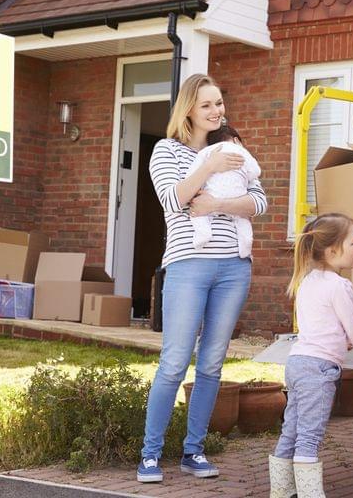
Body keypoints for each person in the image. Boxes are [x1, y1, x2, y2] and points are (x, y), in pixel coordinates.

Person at [137, 74, 267, 483]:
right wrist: (208, 165)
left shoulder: (232, 148)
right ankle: (150, 455)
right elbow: (175, 201)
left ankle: (193, 451)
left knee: (211, 363)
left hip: (234, 268)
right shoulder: (166, 151)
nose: (217, 111)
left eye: (220, 103)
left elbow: (259, 200)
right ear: (189, 109)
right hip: (188, 266)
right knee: (174, 362)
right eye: (208, 104)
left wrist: (217, 202)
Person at [269, 213, 353, 498]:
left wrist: (340, 343)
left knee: (292, 429)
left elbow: (320, 326)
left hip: (298, 362)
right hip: (319, 370)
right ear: (332, 251)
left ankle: (281, 491)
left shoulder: (307, 281)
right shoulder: (339, 286)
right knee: (310, 437)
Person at [185, 124, 261, 253]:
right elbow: (255, 172)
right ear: (237, 140)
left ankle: (203, 234)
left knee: (198, 215)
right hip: (237, 199)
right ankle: (246, 244)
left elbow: (191, 174)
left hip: (211, 196)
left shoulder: (206, 152)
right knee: (242, 219)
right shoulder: (242, 152)